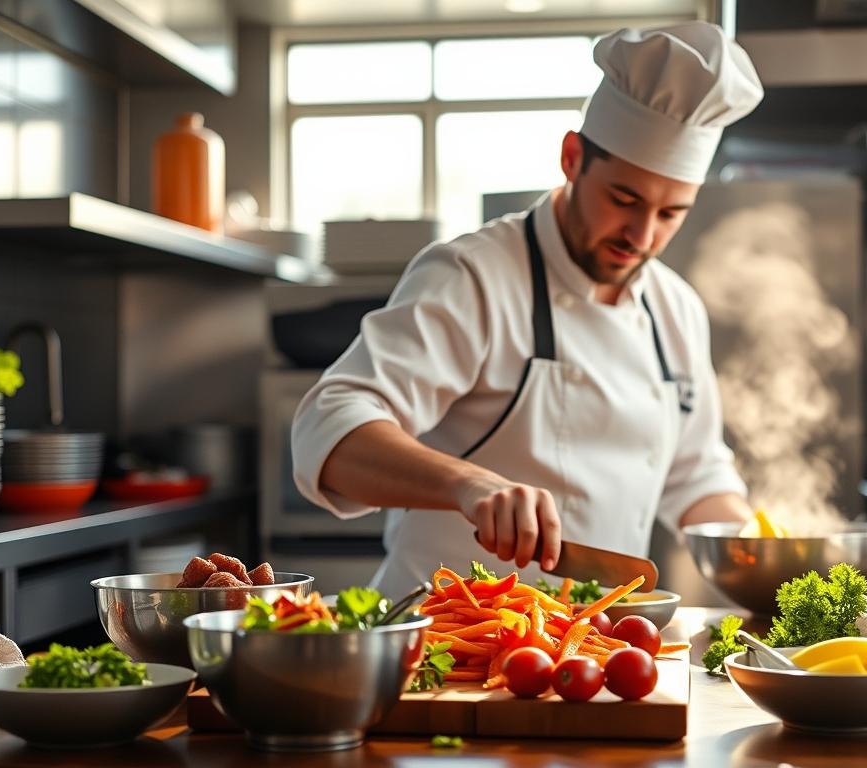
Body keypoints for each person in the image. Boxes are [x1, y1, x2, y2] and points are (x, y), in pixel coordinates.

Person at [292, 21, 765, 597]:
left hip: (586, 647)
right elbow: (329, 428)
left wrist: (755, 549)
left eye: (671, 214)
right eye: (624, 199)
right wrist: (470, 484)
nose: (641, 235)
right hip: (445, 647)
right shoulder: (474, 276)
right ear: (572, 157)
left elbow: (695, 475)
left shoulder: (676, 309)